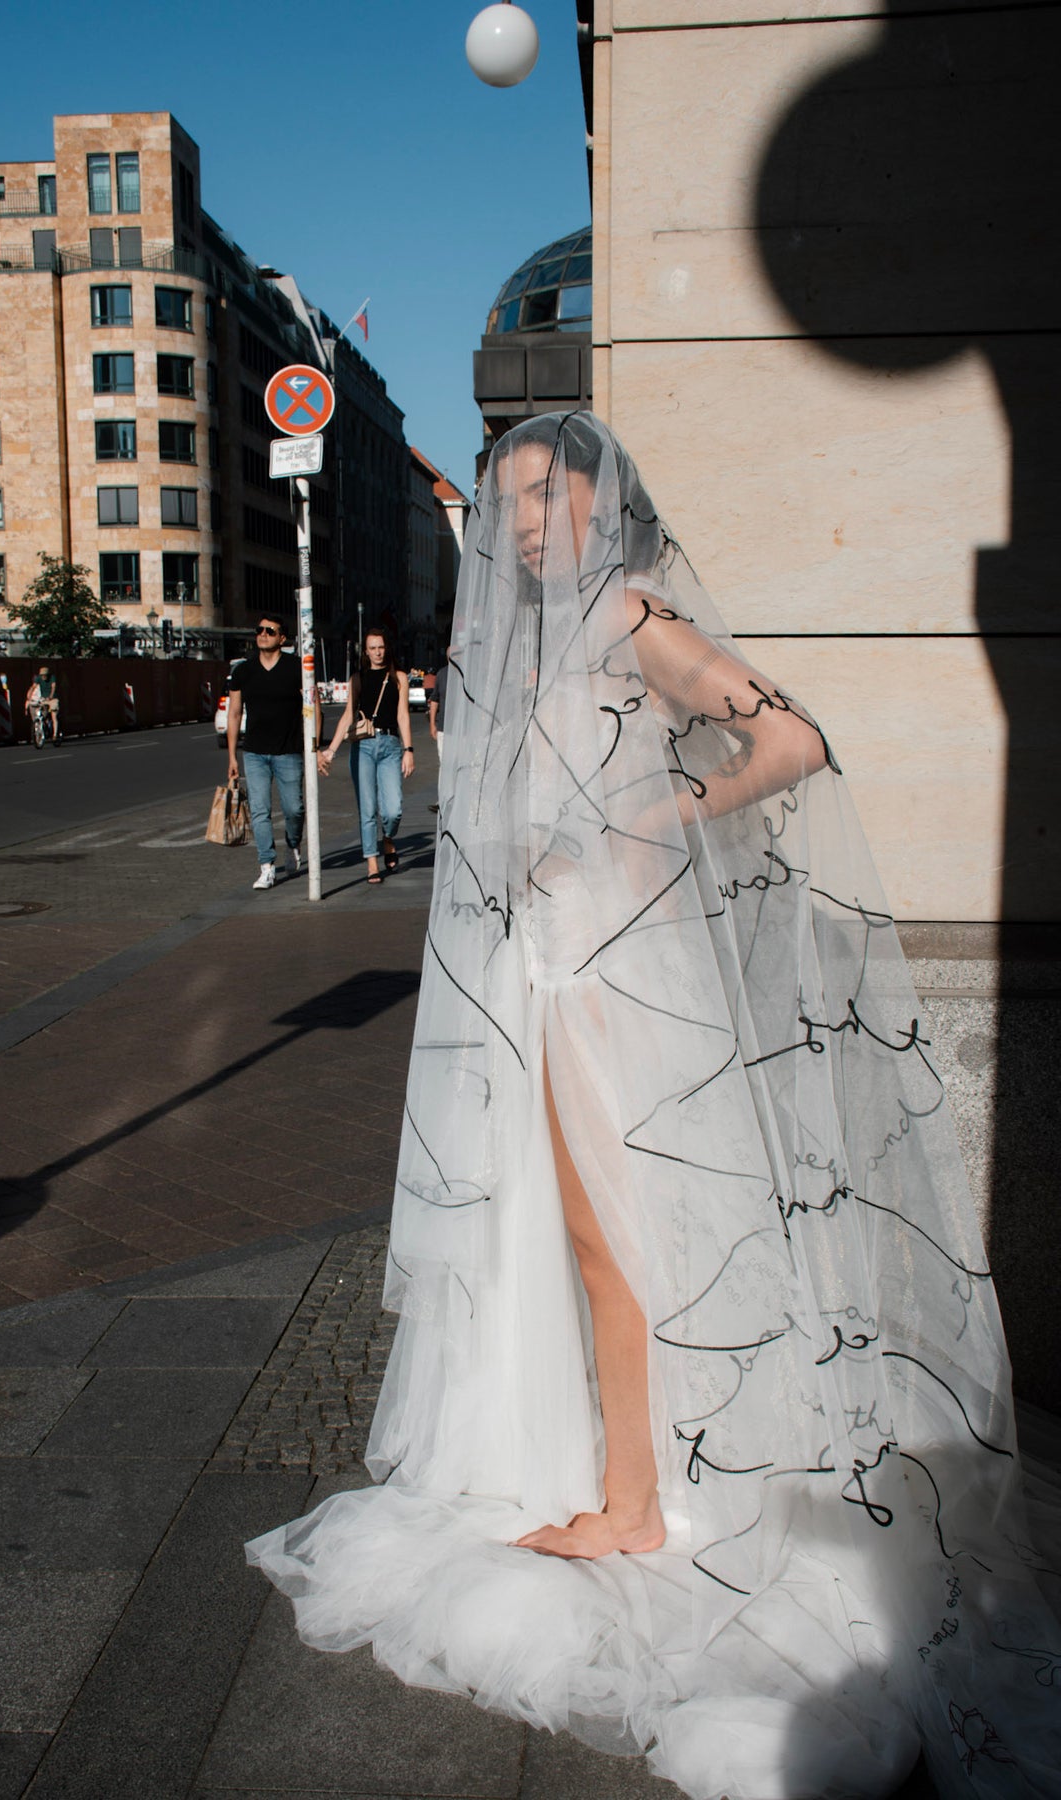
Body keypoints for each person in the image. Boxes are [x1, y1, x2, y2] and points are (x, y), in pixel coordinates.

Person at [248, 414, 1059, 1798]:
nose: (517, 523)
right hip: (549, 975)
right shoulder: (540, 637)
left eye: (541, 494)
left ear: (599, 498)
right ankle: (646, 1474)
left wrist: (654, 820)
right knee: (592, 1240)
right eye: (502, 503)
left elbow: (791, 738)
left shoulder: (632, 611)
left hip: (624, 977)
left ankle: (635, 1506)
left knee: (622, 1243)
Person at [226, 615, 319, 891]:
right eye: (260, 630)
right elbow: (233, 713)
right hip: (254, 752)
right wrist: (232, 755)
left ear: (282, 638)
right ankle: (267, 866)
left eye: (270, 630)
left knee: (294, 808)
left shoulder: (296, 668)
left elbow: (312, 706)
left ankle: (293, 845)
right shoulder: (244, 670)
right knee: (260, 811)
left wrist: (313, 745)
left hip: (289, 752)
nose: (263, 634)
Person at [317, 627, 414, 885]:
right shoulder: (357, 678)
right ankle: (371, 861)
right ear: (366, 651)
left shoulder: (399, 677)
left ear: (387, 648)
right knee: (367, 808)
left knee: (393, 809)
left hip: (391, 745)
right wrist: (331, 749)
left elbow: (403, 714)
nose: (377, 652)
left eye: (381, 647)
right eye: (372, 648)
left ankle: (389, 838)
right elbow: (349, 715)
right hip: (363, 747)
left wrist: (409, 749)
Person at [24, 666, 59, 739]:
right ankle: (42, 727)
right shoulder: (38, 678)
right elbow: (33, 687)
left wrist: (51, 696)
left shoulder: (52, 677)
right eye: (42, 675)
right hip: (43, 699)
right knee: (41, 713)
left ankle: (55, 734)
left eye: (45, 675)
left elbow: (53, 687)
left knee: (54, 716)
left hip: (52, 699)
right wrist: (29, 696)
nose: (43, 677)